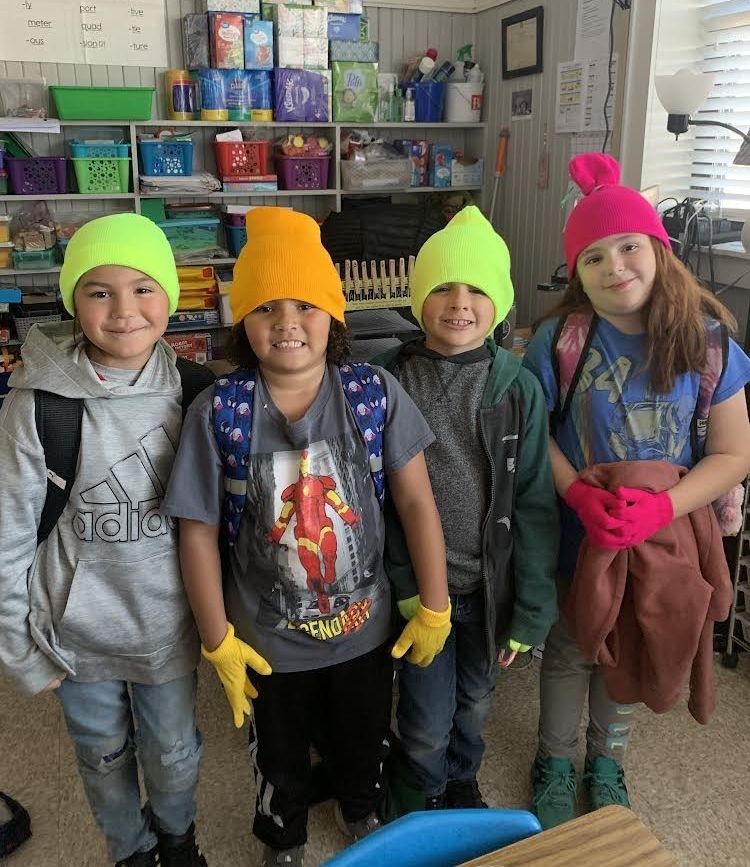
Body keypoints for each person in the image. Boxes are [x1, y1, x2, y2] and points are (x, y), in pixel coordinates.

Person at [163, 208, 451, 867]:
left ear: (334, 316)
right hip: (267, 647)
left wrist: (434, 603)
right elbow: (198, 531)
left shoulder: (373, 395)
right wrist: (215, 638)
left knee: (362, 737)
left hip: (365, 630)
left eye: (305, 305)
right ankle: (284, 835)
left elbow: (414, 499)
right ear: (243, 323)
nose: (287, 322)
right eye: (265, 307)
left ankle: (360, 806)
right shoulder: (221, 413)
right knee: (280, 756)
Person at [523, 154, 750, 829]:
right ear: (576, 273)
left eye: (627, 247)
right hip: (581, 539)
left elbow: (733, 452)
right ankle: (555, 762)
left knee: (637, 641)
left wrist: (663, 506)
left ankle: (608, 759)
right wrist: (576, 496)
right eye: (592, 258)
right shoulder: (559, 341)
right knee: (571, 647)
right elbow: (539, 439)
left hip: (665, 541)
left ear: (658, 248)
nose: (614, 266)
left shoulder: (708, 343)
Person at [0, 214, 210, 867]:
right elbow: (6, 538)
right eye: (100, 291)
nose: (124, 310)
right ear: (73, 300)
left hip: (168, 632)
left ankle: (177, 840)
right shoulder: (37, 405)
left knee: (174, 755)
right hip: (74, 637)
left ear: (171, 299)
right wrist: (24, 652)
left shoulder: (197, 394)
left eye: (144, 288)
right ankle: (132, 851)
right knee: (102, 758)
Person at [374, 206, 559, 812]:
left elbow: (532, 504)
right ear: (417, 298)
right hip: (421, 588)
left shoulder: (518, 388)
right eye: (443, 287)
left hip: (491, 589)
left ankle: (459, 779)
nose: (459, 302)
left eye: (477, 288)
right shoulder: (390, 380)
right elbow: (378, 501)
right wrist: (404, 581)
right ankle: (420, 782)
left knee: (476, 702)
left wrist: (531, 610)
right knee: (426, 709)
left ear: (500, 301)